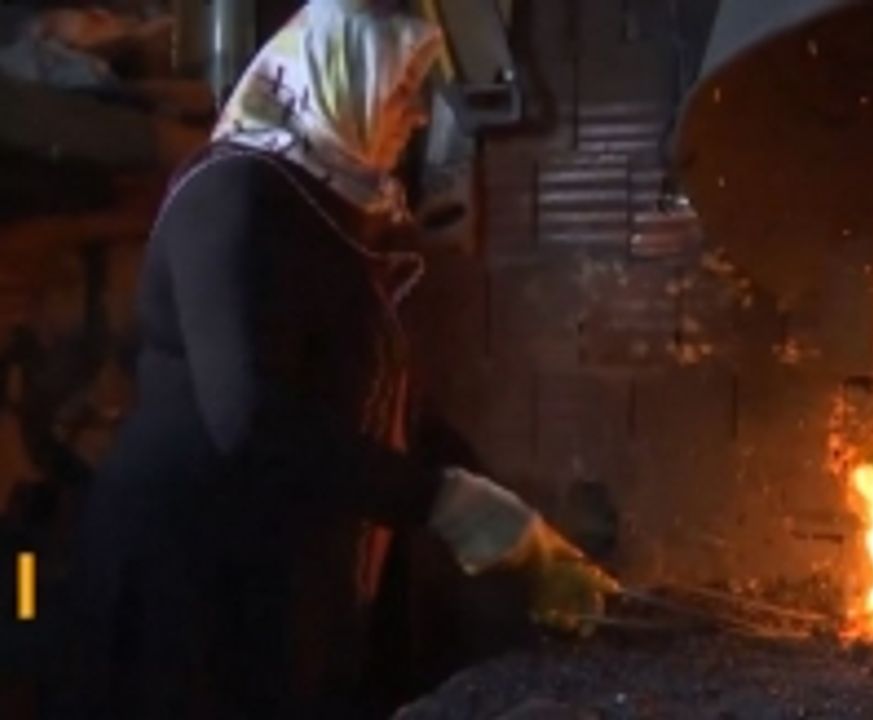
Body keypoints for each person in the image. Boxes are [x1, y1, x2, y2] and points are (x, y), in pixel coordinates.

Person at [60, 0, 617, 717]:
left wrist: (515, 527)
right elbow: (251, 420)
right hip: (190, 583)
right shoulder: (234, 195)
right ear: (338, 74)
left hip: (281, 579)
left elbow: (385, 401)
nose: (420, 113)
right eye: (402, 87)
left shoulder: (334, 208)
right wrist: (441, 501)